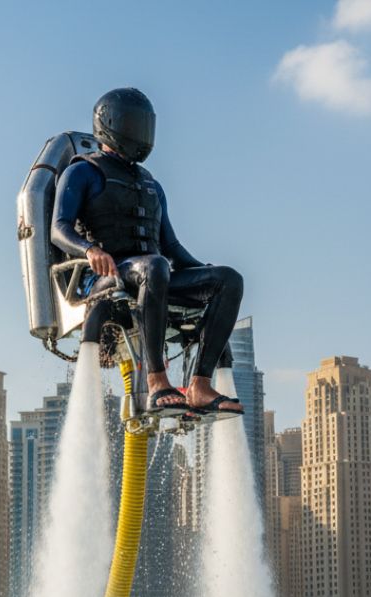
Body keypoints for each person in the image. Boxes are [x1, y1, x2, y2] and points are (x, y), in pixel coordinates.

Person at [51, 87, 244, 415]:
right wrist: (90, 250)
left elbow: (172, 248)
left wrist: (205, 274)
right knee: (155, 267)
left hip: (153, 276)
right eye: (133, 124)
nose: (140, 133)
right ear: (110, 123)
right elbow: (59, 229)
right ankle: (156, 381)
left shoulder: (152, 184)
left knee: (229, 279)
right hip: (105, 279)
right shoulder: (82, 171)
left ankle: (199, 385)